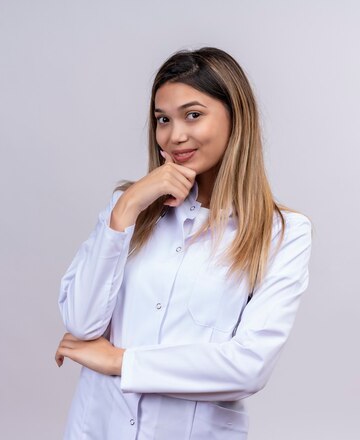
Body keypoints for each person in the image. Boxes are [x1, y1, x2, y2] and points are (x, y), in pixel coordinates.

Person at [55, 46, 313, 440]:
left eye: (193, 115)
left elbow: (248, 366)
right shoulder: (127, 211)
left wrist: (121, 362)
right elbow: (80, 321)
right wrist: (125, 208)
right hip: (98, 429)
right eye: (163, 120)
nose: (175, 135)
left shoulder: (282, 233)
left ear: (235, 117)